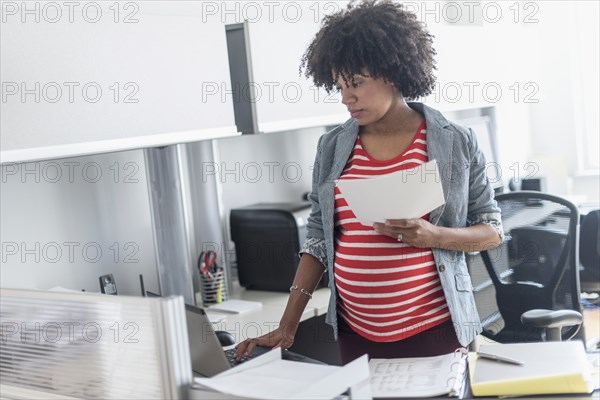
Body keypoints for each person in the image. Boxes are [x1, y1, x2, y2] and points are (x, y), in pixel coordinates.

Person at [235, 0, 504, 364]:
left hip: (434, 327)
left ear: (391, 72)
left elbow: (492, 232)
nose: (346, 98)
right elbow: (317, 237)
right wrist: (288, 324)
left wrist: (433, 236)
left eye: (356, 84)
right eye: (340, 86)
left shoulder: (454, 140)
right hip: (354, 330)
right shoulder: (332, 147)